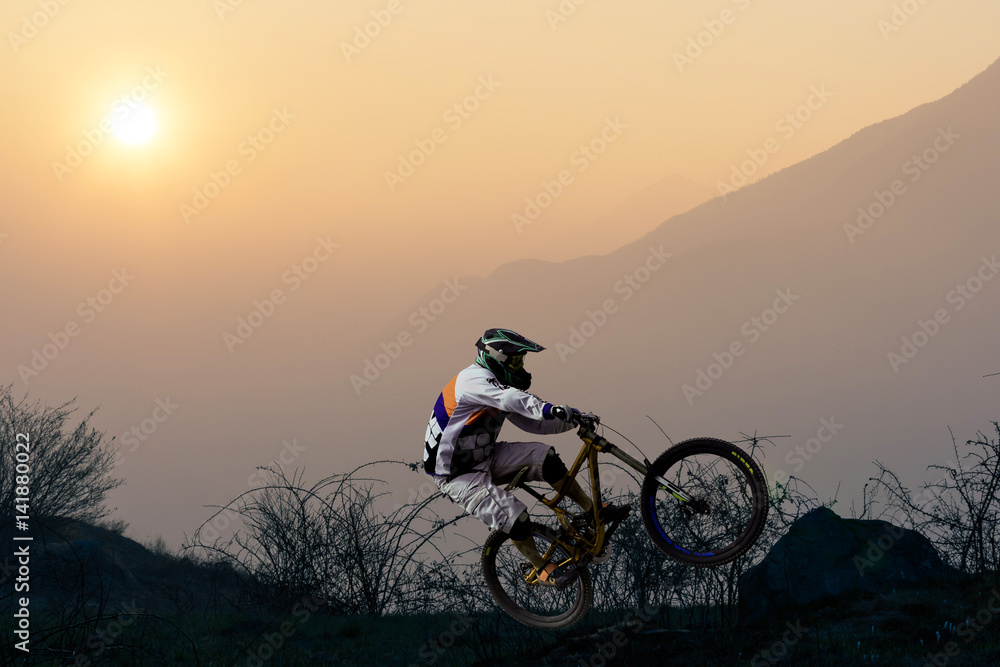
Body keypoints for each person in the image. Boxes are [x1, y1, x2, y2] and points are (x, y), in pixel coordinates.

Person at [423, 328, 630, 586]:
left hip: (485, 456)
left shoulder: (496, 385)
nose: (520, 366)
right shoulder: (473, 381)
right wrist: (546, 407)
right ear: (497, 358)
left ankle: (592, 511)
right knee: (516, 517)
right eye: (516, 361)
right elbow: (512, 398)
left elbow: (534, 423)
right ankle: (541, 567)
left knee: (545, 457)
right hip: (456, 475)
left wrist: (572, 419)